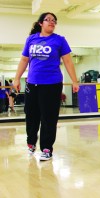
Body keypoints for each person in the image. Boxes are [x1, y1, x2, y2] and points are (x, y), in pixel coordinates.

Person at [13, 12, 80, 161]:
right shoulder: (31, 39)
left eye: (54, 20)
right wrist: (17, 78)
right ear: (40, 23)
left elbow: (68, 62)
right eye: (48, 20)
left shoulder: (59, 40)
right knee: (31, 115)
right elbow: (24, 60)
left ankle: (46, 148)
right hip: (32, 83)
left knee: (49, 117)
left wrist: (75, 81)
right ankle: (31, 143)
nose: (51, 22)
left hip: (52, 84)